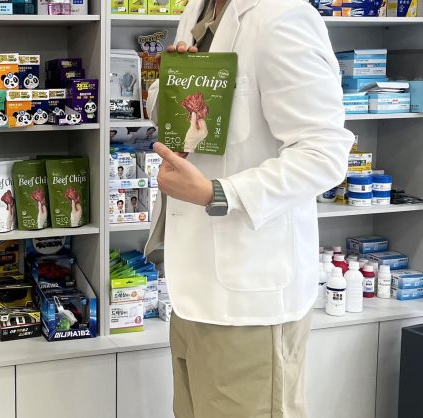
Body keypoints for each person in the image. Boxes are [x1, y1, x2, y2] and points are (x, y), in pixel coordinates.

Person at [144, 0, 354, 417]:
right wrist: (171, 85)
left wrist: (219, 193)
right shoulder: (197, 11)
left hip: (250, 307)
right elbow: (184, 126)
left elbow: (325, 154)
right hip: (192, 292)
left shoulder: (283, 17)